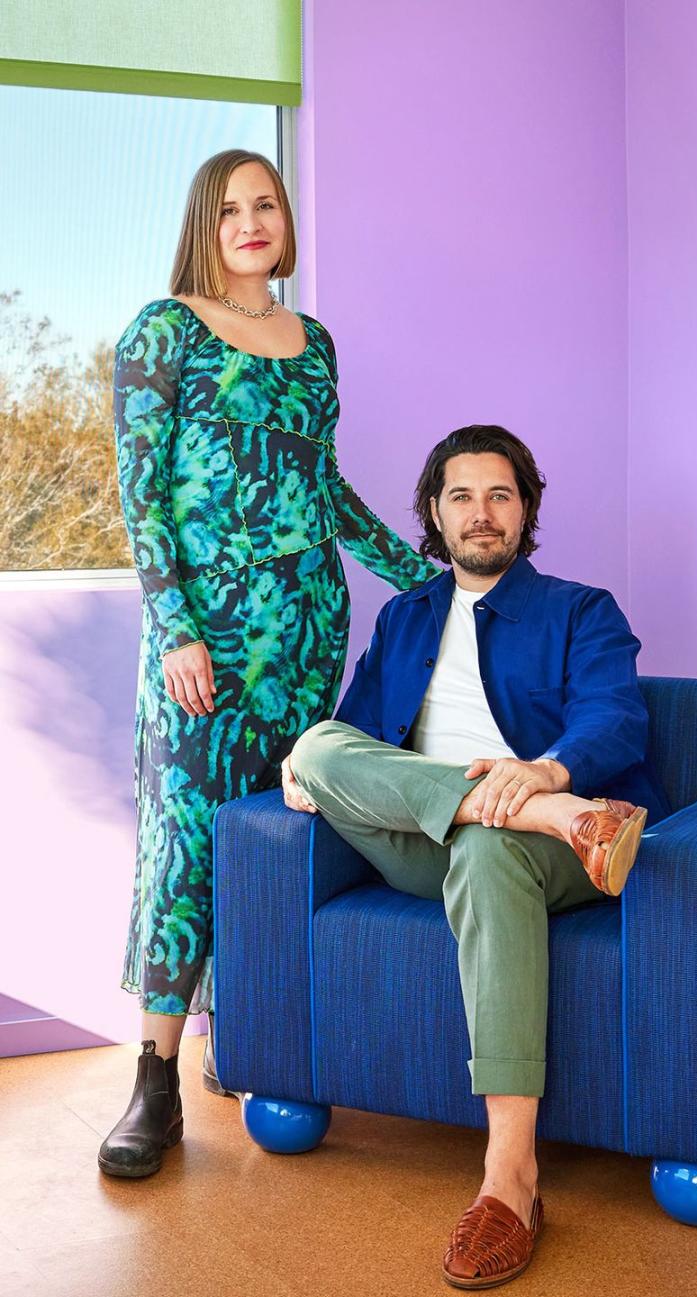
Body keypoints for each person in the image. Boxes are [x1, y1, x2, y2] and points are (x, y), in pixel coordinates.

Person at [99, 149, 436, 1179]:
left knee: (271, 835)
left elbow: (318, 488)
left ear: (286, 221)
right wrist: (177, 631)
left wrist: (415, 573)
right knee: (187, 843)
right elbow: (141, 495)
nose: (252, 221)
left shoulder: (313, 342)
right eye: (233, 207)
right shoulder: (163, 332)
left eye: (268, 203)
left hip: (303, 635)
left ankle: (237, 1040)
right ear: (207, 222)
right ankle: (152, 1081)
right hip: (209, 642)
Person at [282, 425, 666, 1290]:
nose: (481, 513)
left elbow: (617, 718)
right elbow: (356, 736)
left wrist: (541, 771)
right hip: (482, 832)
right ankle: (555, 816)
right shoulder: (406, 614)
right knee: (314, 744)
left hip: (548, 858)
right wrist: (312, 764)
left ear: (524, 509)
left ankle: (510, 1179)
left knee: (492, 845)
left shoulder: (580, 608)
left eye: (500, 494)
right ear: (433, 510)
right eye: (461, 495)